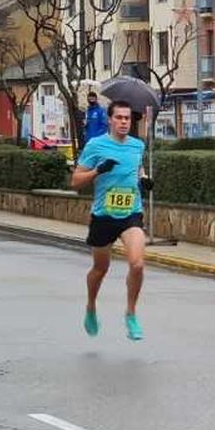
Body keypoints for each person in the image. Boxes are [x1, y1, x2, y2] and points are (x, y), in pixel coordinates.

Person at [71, 99, 151, 341]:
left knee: (137, 264)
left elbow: (137, 170)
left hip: (130, 214)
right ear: (110, 119)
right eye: (119, 118)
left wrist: (144, 179)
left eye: (127, 118)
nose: (124, 122)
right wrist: (98, 171)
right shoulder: (96, 145)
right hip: (103, 216)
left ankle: (131, 313)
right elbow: (75, 182)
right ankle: (91, 306)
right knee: (100, 269)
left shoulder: (138, 146)